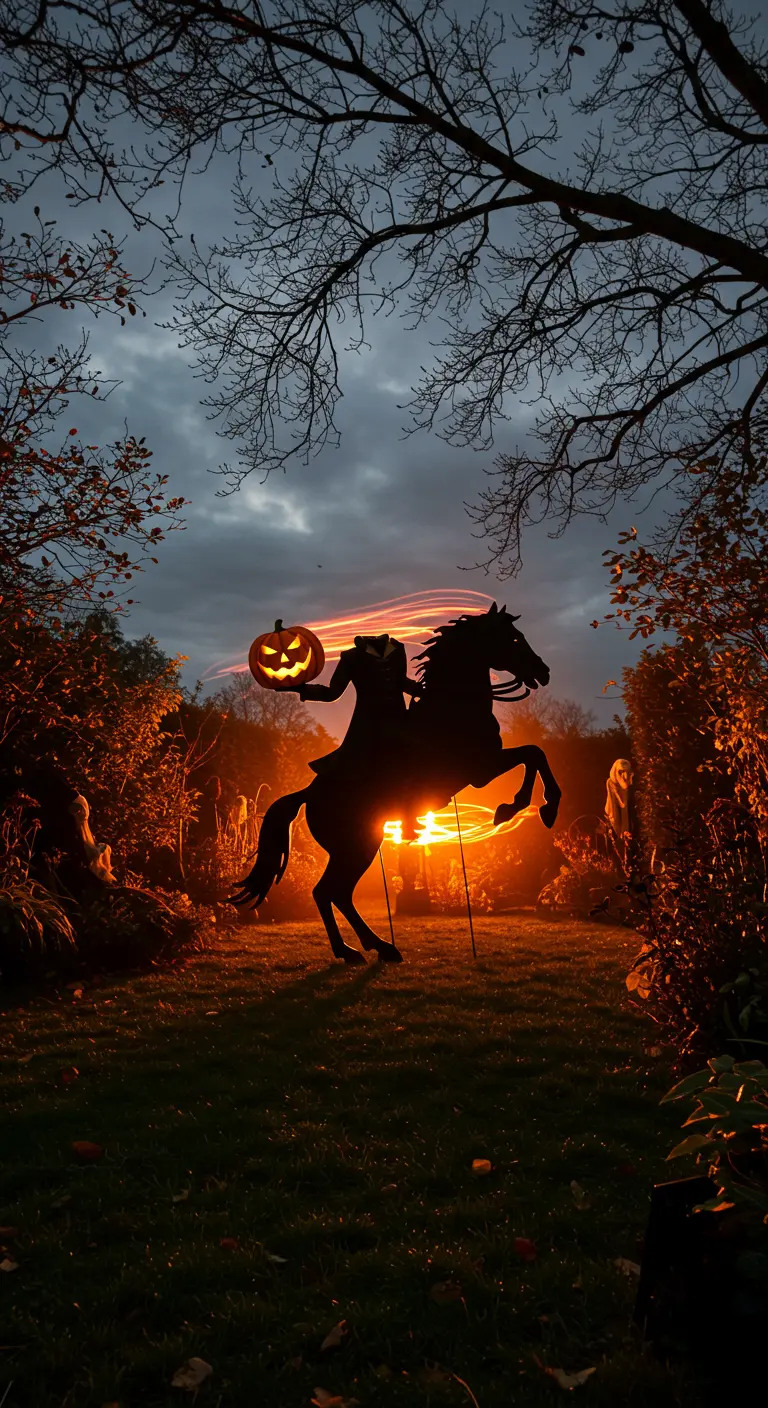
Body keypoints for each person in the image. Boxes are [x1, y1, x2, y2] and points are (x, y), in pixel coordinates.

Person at [284, 632, 423, 839]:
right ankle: (392, 816)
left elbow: (401, 681)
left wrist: (425, 691)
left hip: (398, 720)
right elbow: (332, 692)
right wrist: (301, 689)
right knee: (383, 765)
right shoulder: (351, 658)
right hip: (368, 726)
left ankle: (409, 814)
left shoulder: (398, 649)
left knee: (416, 758)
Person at [604, 758, 635, 860]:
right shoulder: (610, 782)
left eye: (625, 771)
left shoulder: (626, 786)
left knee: (626, 832)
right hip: (615, 810)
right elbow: (616, 801)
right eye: (620, 771)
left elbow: (625, 805)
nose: (623, 774)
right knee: (616, 830)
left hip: (625, 812)